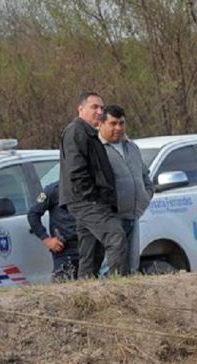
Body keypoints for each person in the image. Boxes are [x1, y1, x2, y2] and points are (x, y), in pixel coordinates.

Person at [59, 91, 124, 278]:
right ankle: (118, 285)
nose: (99, 111)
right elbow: (76, 170)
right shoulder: (76, 131)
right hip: (85, 201)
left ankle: (87, 291)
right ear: (81, 109)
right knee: (115, 236)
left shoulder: (89, 133)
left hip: (88, 200)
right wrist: (93, 197)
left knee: (91, 252)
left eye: (101, 108)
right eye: (94, 107)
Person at [98, 105, 154, 274]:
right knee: (110, 266)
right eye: (113, 123)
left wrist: (145, 197)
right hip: (111, 218)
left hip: (133, 215)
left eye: (121, 123)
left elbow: (145, 178)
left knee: (130, 266)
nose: (118, 128)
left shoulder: (132, 147)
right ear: (101, 124)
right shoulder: (97, 149)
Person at [27, 182, 78, 281]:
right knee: (63, 287)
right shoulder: (52, 190)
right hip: (64, 249)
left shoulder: (88, 188)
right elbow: (33, 214)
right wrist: (46, 239)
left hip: (88, 247)